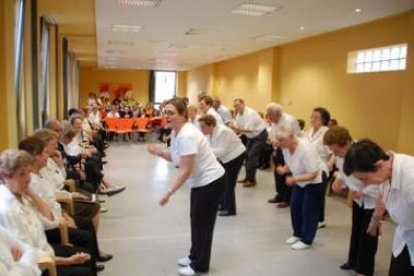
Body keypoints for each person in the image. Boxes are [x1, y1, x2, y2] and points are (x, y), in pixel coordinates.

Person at [147, 98, 225, 276]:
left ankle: (200, 265)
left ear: (183, 115)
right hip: (200, 182)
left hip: (211, 181)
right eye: (165, 112)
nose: (167, 116)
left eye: (171, 113)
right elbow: (176, 157)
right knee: (196, 220)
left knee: (202, 225)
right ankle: (194, 256)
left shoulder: (187, 135)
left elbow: (185, 170)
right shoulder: (176, 131)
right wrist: (158, 152)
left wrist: (168, 192)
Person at [0, 149, 94, 275]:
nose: (27, 179)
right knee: (84, 271)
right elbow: (30, 255)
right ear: (4, 177)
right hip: (40, 267)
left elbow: (51, 221)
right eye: (22, 174)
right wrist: (66, 261)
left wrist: (32, 194)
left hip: (46, 254)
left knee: (86, 258)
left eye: (28, 172)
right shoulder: (9, 210)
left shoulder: (23, 196)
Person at [343, 139, 414, 276]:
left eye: (364, 179)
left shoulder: (411, 178)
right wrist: (375, 219)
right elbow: (382, 195)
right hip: (406, 232)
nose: (364, 184)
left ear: (379, 165)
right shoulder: (387, 169)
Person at [324, 127, 380, 276]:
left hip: (373, 200)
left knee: (368, 235)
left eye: (337, 151)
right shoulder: (342, 154)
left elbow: (379, 180)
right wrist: (339, 181)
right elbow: (343, 171)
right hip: (358, 199)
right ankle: (353, 261)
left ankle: (364, 270)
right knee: (356, 231)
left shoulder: (365, 154)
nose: (335, 155)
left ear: (348, 143)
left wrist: (364, 192)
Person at [275, 123, 327, 250]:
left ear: (292, 137)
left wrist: (294, 179)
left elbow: (313, 174)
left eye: (281, 140)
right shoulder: (285, 147)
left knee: (309, 211)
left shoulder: (306, 149)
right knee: (295, 207)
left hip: (315, 181)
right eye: (278, 140)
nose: (279, 143)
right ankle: (297, 234)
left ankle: (307, 240)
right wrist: (284, 169)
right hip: (300, 179)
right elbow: (293, 163)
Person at [198, 115, 246, 216]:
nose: (201, 129)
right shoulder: (209, 132)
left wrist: (204, 151)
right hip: (226, 157)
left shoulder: (223, 131)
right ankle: (223, 204)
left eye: (202, 127)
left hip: (235, 156)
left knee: (228, 183)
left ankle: (230, 209)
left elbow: (221, 151)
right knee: (222, 181)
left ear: (210, 125)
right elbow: (208, 147)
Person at [266, 102, 302, 207]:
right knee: (278, 173)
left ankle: (287, 198)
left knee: (287, 173)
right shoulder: (274, 120)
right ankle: (280, 194)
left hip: (289, 149)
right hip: (278, 148)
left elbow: (296, 137)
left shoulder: (290, 121)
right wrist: (272, 139)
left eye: (270, 115)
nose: (268, 117)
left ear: (277, 114)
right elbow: (271, 134)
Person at [304, 107, 333, 228]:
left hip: (321, 167)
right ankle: (314, 217)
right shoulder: (309, 131)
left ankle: (319, 220)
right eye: (311, 116)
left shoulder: (327, 133)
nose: (312, 119)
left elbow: (334, 152)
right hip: (309, 167)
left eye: (315, 117)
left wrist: (330, 164)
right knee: (310, 194)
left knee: (317, 195)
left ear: (323, 120)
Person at [232, 98, 268, 187]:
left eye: (238, 105)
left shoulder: (250, 113)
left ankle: (251, 180)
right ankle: (247, 177)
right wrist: (233, 128)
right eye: (235, 106)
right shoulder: (239, 115)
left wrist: (234, 128)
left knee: (252, 157)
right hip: (251, 137)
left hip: (260, 136)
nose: (236, 107)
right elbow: (237, 127)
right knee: (247, 156)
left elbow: (248, 129)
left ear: (243, 104)